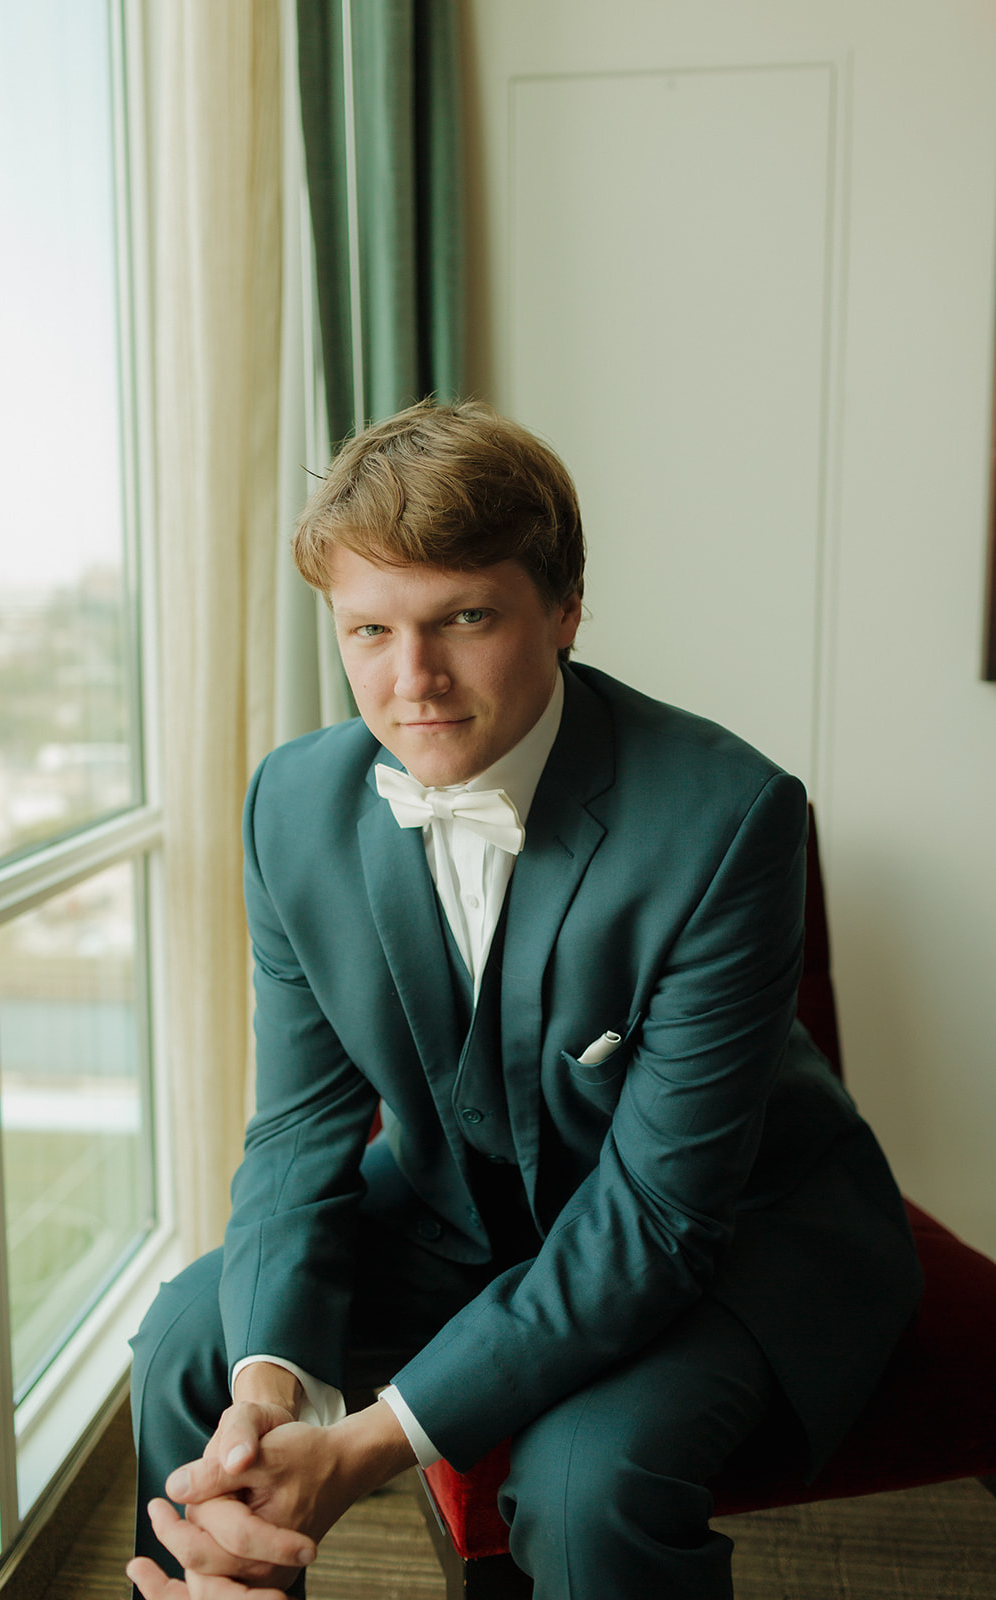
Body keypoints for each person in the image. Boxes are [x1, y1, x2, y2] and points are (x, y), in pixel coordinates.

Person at [128, 400, 923, 1600]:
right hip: (464, 1203)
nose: (411, 682)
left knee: (579, 1481)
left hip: (732, 1232)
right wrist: (266, 1400)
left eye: (464, 617)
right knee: (195, 1336)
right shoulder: (288, 805)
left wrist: (361, 1444)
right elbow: (299, 1135)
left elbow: (659, 1219)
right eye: (368, 630)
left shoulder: (725, 819)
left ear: (561, 607)